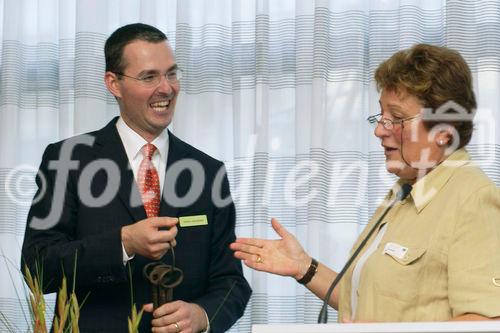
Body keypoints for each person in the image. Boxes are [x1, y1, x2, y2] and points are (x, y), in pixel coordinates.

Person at [230, 44, 500, 322]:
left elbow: (487, 322)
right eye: (381, 116)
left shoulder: (473, 199)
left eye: (396, 118)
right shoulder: (403, 192)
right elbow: (360, 303)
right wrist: (304, 267)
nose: (379, 130)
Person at [22, 23, 251, 333]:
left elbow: (231, 281)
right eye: (149, 77)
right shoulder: (68, 159)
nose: (167, 88)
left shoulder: (209, 171)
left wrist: (202, 314)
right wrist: (123, 242)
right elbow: (37, 268)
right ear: (113, 83)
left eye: (172, 74)